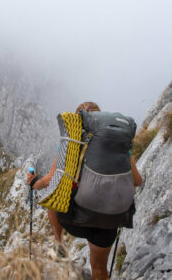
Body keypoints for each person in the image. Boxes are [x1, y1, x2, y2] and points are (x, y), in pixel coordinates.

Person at [27, 102, 142, 280]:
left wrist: (34, 182)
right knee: (98, 269)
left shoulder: (74, 142)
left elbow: (51, 178)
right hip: (110, 220)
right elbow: (137, 181)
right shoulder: (121, 147)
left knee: (54, 192)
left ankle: (59, 242)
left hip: (76, 219)